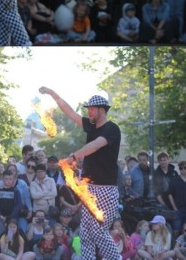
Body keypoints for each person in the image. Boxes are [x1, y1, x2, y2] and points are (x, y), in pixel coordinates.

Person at [38, 88, 121, 260]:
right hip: (89, 189)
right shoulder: (91, 127)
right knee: (85, 234)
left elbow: (96, 145)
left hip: (106, 189)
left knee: (98, 231)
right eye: (88, 108)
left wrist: (74, 156)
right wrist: (53, 94)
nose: (88, 111)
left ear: (102, 110)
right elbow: (70, 112)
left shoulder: (112, 129)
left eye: (91, 108)